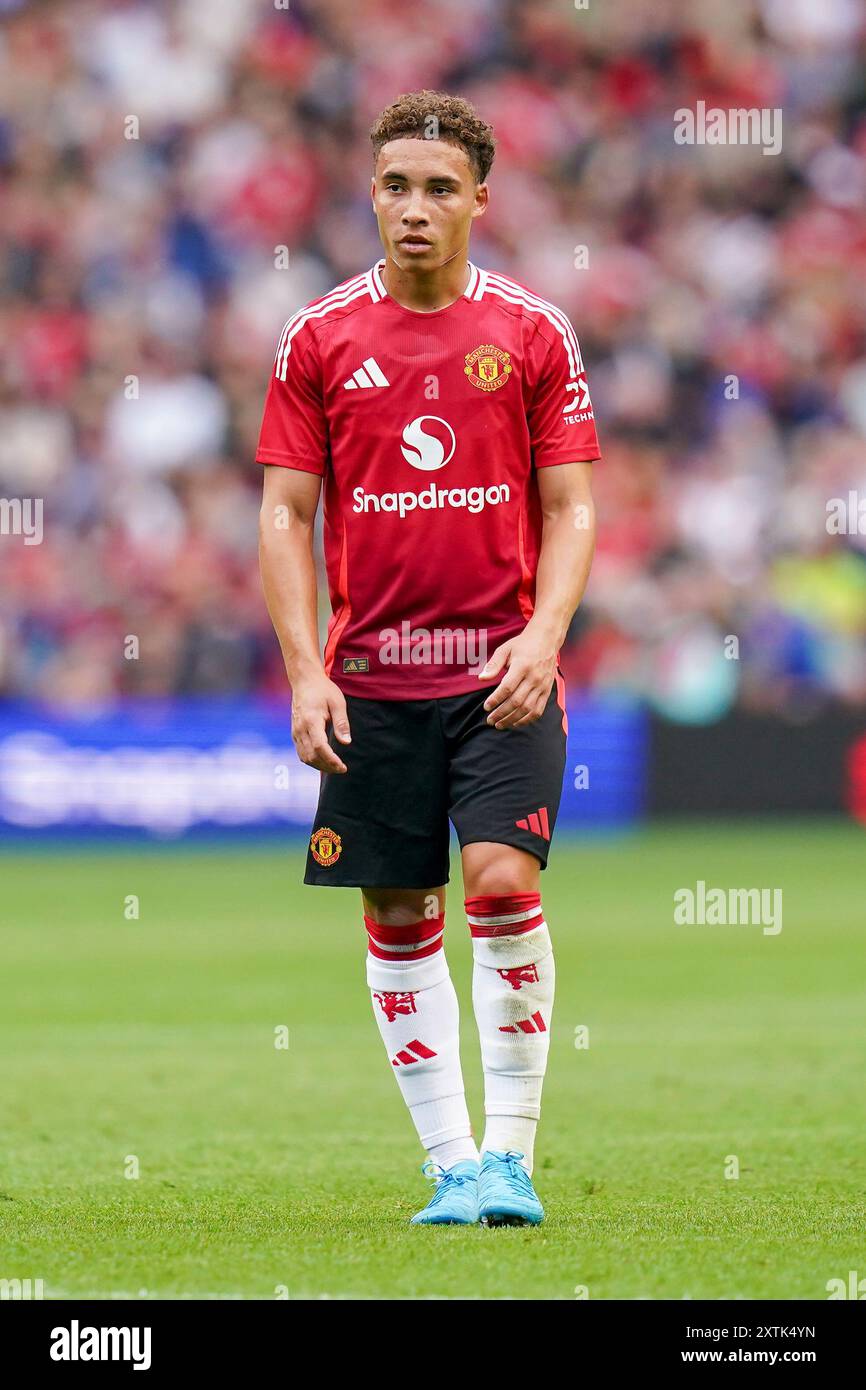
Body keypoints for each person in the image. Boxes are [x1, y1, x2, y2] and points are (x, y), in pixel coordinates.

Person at [257, 90, 600, 1226]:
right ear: (370, 193)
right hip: (373, 681)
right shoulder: (317, 338)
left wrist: (545, 638)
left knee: (502, 882)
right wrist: (307, 669)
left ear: (479, 203)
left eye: (439, 189)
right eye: (396, 186)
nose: (414, 208)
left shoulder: (531, 332)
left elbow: (572, 506)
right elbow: (282, 517)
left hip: (501, 672)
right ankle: (450, 1164)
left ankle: (509, 1156)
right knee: (401, 911)